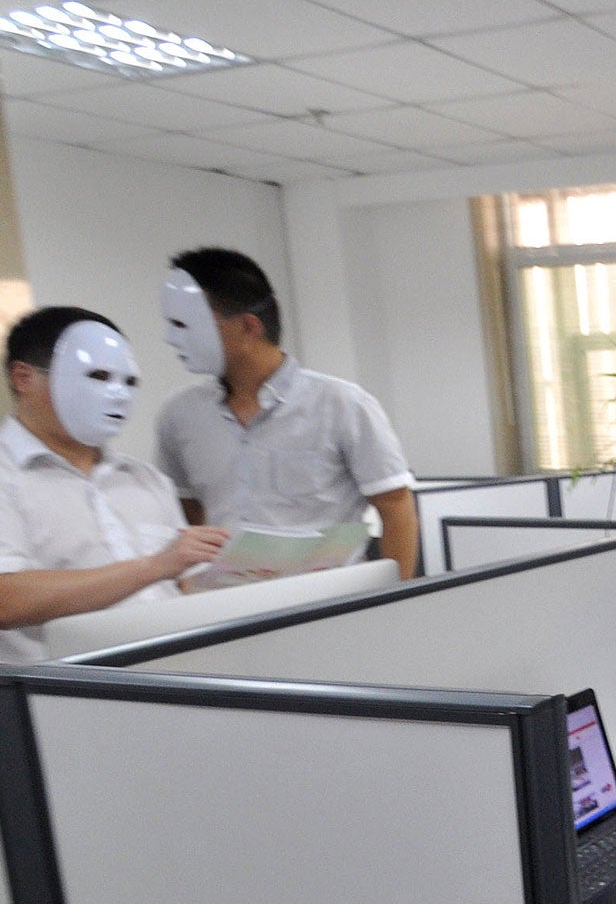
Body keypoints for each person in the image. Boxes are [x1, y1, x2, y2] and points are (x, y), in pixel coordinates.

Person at [153, 248, 421, 578]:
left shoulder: (343, 405)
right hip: (225, 607)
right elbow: (188, 512)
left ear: (249, 327)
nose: (171, 339)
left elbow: (396, 508)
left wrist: (396, 599)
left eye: (182, 324)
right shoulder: (179, 416)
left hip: (328, 603)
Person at [0, 307, 228, 662]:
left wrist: (261, 574)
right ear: (23, 378)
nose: (119, 395)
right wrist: (153, 567)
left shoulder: (146, 480)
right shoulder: (7, 476)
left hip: (178, 675)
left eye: (129, 382)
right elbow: (7, 598)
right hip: (64, 697)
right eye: (98, 375)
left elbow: (185, 584)